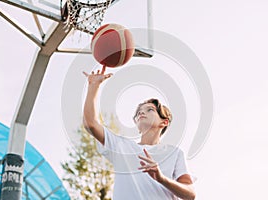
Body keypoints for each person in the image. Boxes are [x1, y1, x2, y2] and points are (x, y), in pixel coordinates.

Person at [83, 66, 196, 200]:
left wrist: (161, 178)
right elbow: (90, 124)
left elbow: (190, 194)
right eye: (139, 112)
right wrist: (93, 86)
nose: (142, 112)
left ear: (164, 122)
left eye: (150, 110)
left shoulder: (174, 153)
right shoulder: (122, 147)